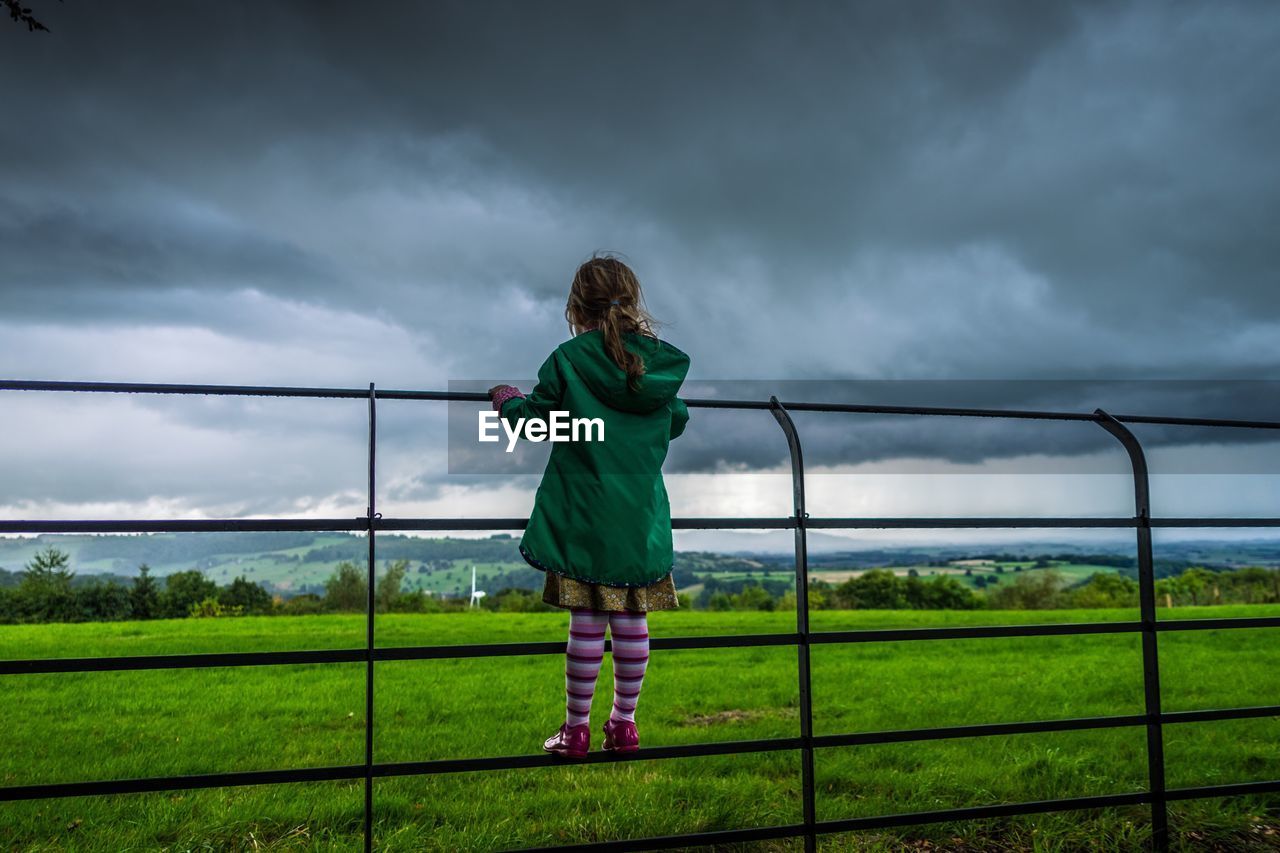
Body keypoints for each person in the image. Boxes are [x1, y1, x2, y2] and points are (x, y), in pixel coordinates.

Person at [488, 253, 691, 759]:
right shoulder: (658, 367)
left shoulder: (567, 359)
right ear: (633, 302)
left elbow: (530, 422)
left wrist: (506, 398)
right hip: (637, 514)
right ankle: (624, 724)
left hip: (583, 512)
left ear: (576, 308)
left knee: (585, 621)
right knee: (632, 619)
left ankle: (575, 730)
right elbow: (677, 418)